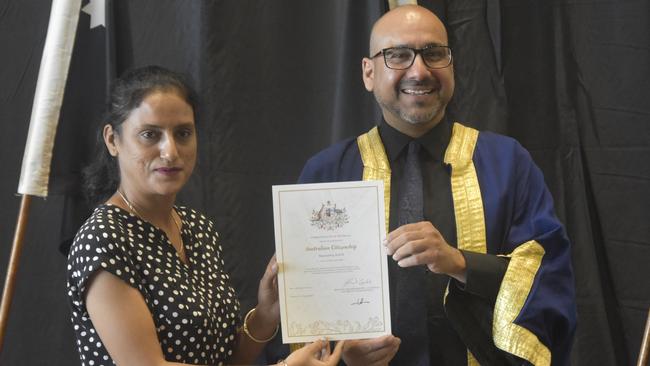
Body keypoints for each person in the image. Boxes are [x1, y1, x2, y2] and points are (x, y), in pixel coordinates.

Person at [295, 5, 577, 366]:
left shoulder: (507, 164)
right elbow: (305, 306)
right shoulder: (327, 173)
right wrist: (341, 352)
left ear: (451, 65)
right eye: (397, 55)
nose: (419, 70)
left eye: (434, 54)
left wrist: (460, 263)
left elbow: (550, 274)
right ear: (368, 72)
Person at [66, 65, 343, 366]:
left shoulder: (197, 227)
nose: (170, 151)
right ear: (112, 140)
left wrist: (265, 315)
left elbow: (223, 360)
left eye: (183, 133)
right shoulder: (103, 238)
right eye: (150, 135)